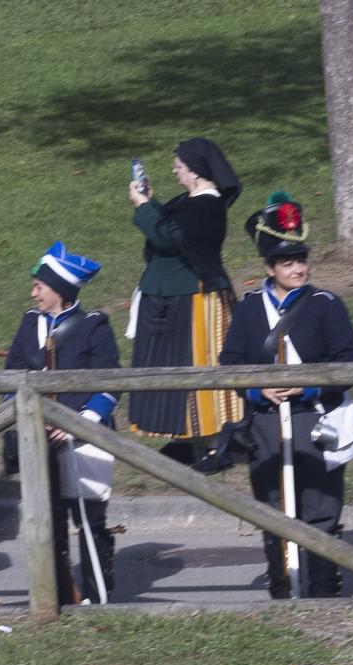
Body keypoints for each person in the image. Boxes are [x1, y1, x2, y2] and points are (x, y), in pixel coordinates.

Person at [219, 193, 353, 599]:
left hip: (316, 419)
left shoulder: (326, 305)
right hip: (265, 421)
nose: (298, 268)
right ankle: (282, 592)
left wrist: (309, 385)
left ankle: (322, 593)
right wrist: (257, 389)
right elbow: (229, 363)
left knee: (320, 510)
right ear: (269, 267)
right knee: (272, 509)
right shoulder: (248, 310)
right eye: (287, 262)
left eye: (301, 259)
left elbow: (348, 361)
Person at [1, 242, 124, 605]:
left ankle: (98, 597)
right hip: (38, 437)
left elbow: (109, 381)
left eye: (40, 285)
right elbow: (12, 376)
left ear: (60, 289)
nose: (33, 291)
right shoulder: (29, 324)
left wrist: (77, 423)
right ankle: (54, 597)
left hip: (87, 436)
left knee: (89, 520)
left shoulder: (94, 326)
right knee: (48, 523)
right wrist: (29, 421)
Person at [126, 136, 243, 439]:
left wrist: (142, 207)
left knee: (191, 370)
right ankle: (180, 437)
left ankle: (205, 436)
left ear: (195, 171)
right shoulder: (190, 203)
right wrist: (149, 202)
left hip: (189, 299)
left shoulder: (208, 205)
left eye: (179, 166)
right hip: (169, 298)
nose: (175, 171)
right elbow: (169, 227)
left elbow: (168, 237)